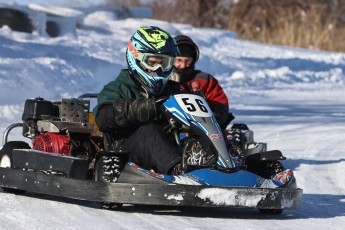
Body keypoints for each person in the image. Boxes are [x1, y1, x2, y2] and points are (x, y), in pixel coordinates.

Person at [93, 26, 182, 175]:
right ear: (136, 58)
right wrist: (135, 109)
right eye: (152, 62)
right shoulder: (118, 88)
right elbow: (103, 118)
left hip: (169, 146)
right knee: (149, 131)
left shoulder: (174, 90)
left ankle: (221, 169)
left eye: (164, 63)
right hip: (127, 151)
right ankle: (180, 173)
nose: (158, 69)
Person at [170, 35, 233, 129]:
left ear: (194, 60)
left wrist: (212, 117)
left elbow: (220, 105)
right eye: (179, 60)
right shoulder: (163, 79)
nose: (183, 65)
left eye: (187, 61)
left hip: (203, 128)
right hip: (171, 126)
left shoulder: (205, 80)